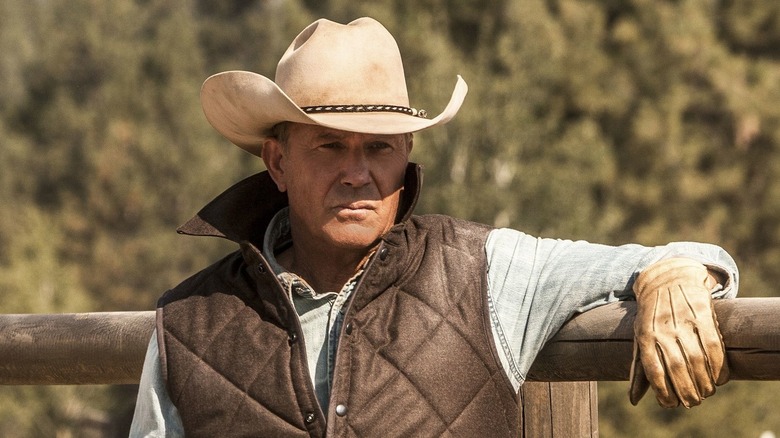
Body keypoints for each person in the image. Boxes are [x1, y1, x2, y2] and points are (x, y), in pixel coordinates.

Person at [129, 17, 738, 437]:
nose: (357, 173)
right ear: (278, 162)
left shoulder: (487, 272)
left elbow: (679, 256)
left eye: (379, 148)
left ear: (406, 155)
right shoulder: (189, 322)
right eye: (329, 147)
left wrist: (674, 278)